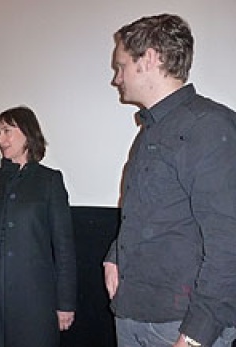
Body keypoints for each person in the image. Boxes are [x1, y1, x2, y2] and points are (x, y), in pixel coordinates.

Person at [104, 13, 236, 347]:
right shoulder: (150, 131)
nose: (116, 79)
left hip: (180, 325)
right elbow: (150, 210)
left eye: (120, 66)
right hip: (134, 311)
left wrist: (195, 336)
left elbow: (229, 242)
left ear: (147, 59)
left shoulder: (210, 127)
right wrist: (115, 254)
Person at [0, 106, 78, 347]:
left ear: (28, 133)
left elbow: (64, 246)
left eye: (7, 131)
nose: (0, 139)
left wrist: (65, 302)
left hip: (34, 296)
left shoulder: (49, 180)